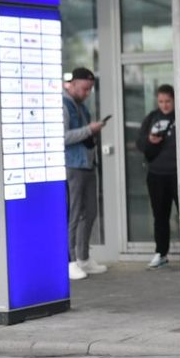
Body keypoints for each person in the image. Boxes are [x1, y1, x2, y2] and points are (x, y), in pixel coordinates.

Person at [135, 84, 180, 269]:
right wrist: (150, 141)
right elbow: (140, 143)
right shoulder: (152, 117)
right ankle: (161, 253)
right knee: (160, 215)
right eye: (161, 101)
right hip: (157, 175)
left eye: (168, 101)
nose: (164, 105)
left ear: (175, 100)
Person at [63, 67, 108, 280]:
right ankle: (69, 260)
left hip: (88, 166)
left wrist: (93, 132)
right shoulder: (63, 106)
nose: (87, 93)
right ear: (72, 84)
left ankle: (83, 257)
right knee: (73, 215)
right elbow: (62, 137)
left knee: (90, 212)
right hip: (72, 167)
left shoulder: (83, 107)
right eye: (84, 89)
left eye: (90, 89)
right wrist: (90, 130)